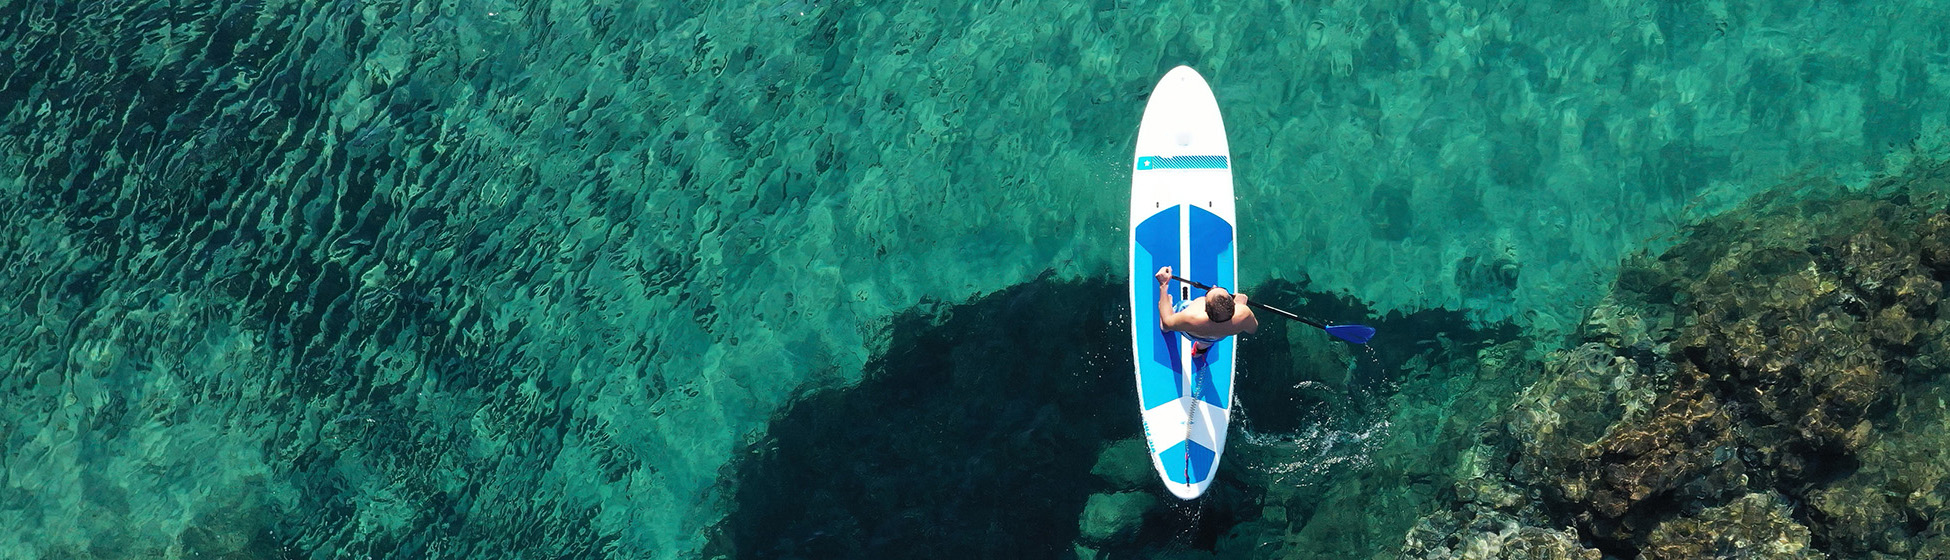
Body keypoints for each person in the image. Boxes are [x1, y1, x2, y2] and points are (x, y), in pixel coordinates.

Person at [1153, 266, 1259, 357]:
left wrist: (1163, 285)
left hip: (1190, 331)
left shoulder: (1191, 317)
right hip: (1213, 338)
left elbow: (1168, 322)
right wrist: (1241, 305)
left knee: (1168, 322)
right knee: (1206, 342)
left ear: (1205, 309)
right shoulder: (1244, 314)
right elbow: (1252, 329)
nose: (1214, 287)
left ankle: (1164, 324)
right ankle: (1199, 352)